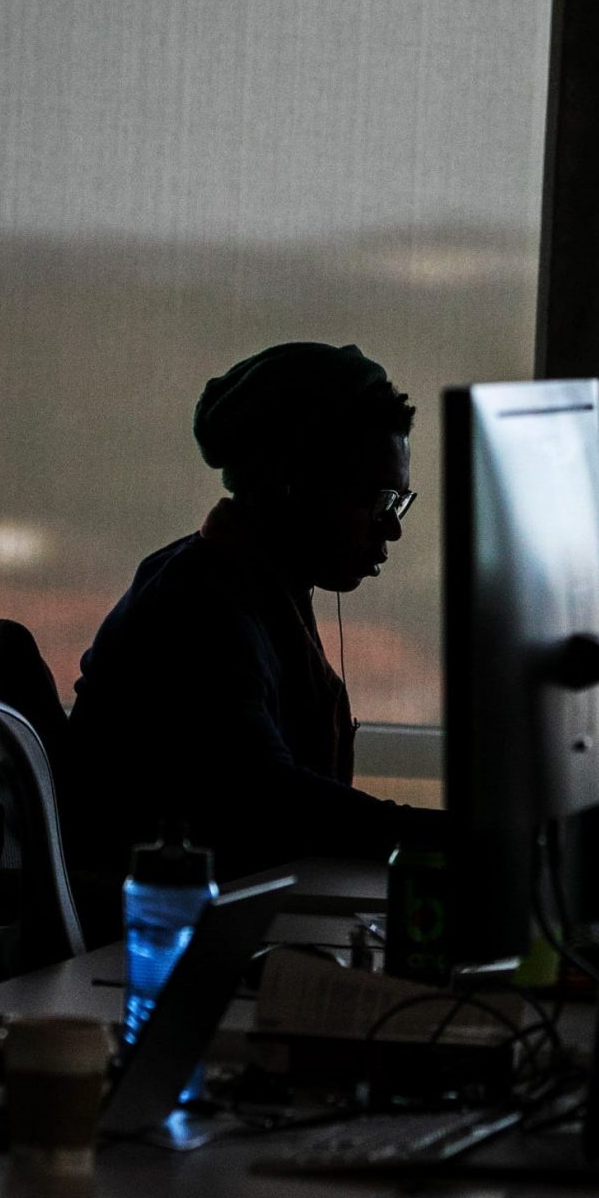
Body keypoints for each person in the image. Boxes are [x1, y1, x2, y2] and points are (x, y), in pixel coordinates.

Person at [65, 341, 436, 883]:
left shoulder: (255, 586)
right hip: (160, 947)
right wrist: (468, 840)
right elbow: (271, 799)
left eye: (399, 502)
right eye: (376, 501)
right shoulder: (197, 609)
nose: (393, 527)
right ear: (290, 485)